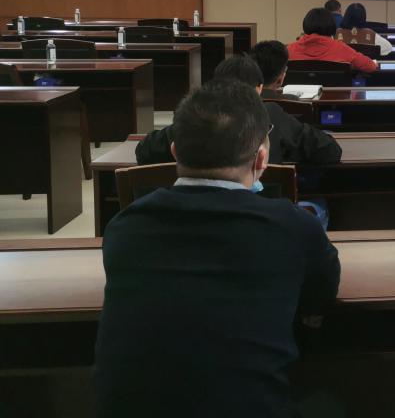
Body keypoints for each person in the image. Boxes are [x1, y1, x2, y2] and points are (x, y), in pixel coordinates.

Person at [95, 79, 341, 418]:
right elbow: (320, 294)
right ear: (262, 160)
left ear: (174, 152)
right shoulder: (294, 226)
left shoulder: (125, 227)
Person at [136, 53, 341, 170]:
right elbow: (329, 151)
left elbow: (144, 151)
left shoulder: (196, 116)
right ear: (259, 89)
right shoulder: (271, 114)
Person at [288, 7, 378, 73]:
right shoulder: (342, 49)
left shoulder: (290, 49)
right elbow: (371, 67)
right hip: (336, 93)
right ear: (331, 25)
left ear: (305, 24)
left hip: (297, 94)